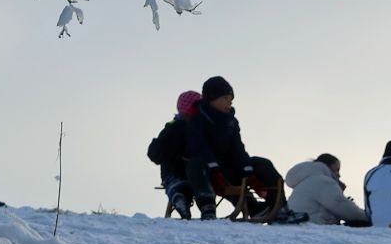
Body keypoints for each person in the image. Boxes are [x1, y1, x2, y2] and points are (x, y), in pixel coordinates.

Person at [186, 76, 293, 221]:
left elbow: (237, 147)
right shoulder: (197, 119)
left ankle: (279, 207)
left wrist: (247, 169)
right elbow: (199, 146)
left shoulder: (231, 121)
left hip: (232, 166)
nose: (229, 102)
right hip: (210, 169)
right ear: (212, 97)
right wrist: (213, 166)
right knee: (197, 164)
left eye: (231, 99)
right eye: (225, 98)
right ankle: (209, 210)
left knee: (262, 164)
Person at [147, 90, 205, 219]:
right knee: (186, 185)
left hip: (174, 172)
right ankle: (181, 199)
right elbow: (156, 152)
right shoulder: (188, 128)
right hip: (183, 170)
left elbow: (154, 153)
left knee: (178, 186)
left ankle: (178, 199)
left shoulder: (173, 127)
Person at [285, 153, 371, 226]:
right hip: (314, 227)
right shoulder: (323, 181)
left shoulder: (307, 181)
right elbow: (342, 206)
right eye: (337, 169)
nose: (339, 175)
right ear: (328, 166)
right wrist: (369, 216)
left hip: (302, 225)